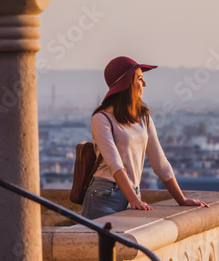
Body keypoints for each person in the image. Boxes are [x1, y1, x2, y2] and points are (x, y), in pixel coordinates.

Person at [81, 56, 208, 219]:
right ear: (127, 83)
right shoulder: (101, 119)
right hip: (104, 197)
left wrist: (181, 199)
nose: (145, 84)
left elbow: (160, 163)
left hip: (133, 194)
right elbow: (115, 164)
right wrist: (133, 199)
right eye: (140, 78)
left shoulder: (143, 117)